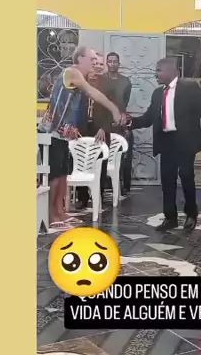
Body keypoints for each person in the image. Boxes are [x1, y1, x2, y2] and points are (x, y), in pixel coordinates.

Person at [128, 57, 201, 231]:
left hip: (186, 141)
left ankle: (191, 214)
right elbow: (148, 118)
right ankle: (170, 217)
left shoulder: (190, 88)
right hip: (166, 142)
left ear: (171, 71)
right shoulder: (157, 93)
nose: (155, 74)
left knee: (186, 175)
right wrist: (130, 122)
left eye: (159, 70)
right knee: (167, 180)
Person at [38, 47, 122, 231]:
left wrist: (73, 127)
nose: (95, 62)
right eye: (91, 59)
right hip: (51, 133)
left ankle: (60, 213)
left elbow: (71, 107)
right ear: (79, 58)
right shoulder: (72, 72)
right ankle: (53, 216)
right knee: (55, 176)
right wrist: (114, 109)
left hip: (62, 133)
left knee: (63, 175)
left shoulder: (78, 76)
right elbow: (93, 93)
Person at [76, 53, 113, 209]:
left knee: (100, 164)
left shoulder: (108, 86)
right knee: (81, 163)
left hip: (101, 131)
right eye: (94, 64)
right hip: (82, 130)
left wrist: (103, 128)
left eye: (100, 65)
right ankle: (82, 198)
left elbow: (113, 111)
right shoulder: (79, 84)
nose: (97, 67)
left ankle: (98, 196)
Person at [103, 52, 133, 195]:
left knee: (124, 154)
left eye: (115, 61)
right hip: (103, 122)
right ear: (106, 63)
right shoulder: (101, 80)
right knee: (104, 153)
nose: (112, 64)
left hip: (120, 122)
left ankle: (125, 186)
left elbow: (125, 101)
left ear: (119, 63)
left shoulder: (125, 82)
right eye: (110, 61)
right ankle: (105, 184)